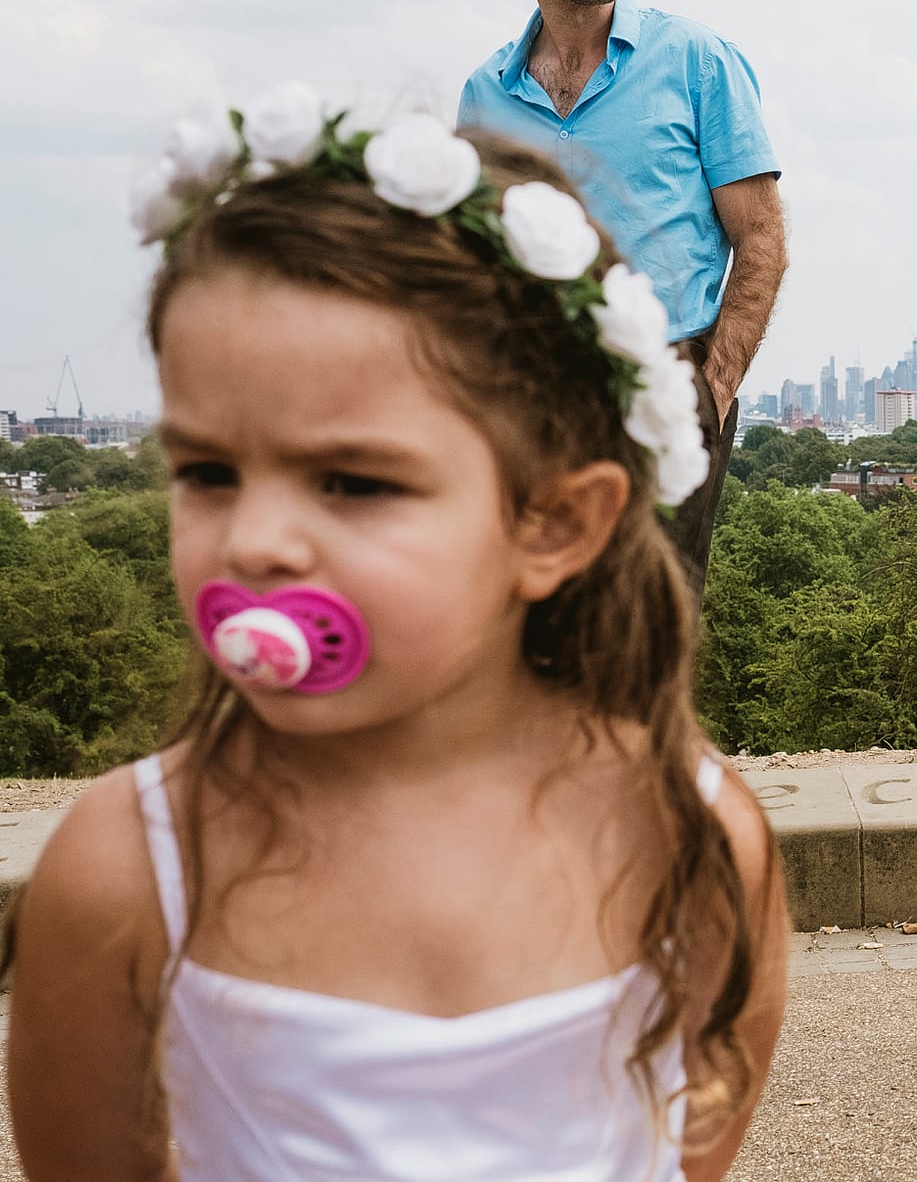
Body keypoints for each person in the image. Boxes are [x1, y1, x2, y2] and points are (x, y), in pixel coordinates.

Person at [4, 91, 788, 1179]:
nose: (259, 540)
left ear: (555, 522)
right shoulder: (129, 863)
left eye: (354, 481)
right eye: (208, 472)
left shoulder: (692, 840)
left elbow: (696, 1136)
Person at [461, 0, 788, 599]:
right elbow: (474, 266)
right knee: (527, 627)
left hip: (668, 388)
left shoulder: (698, 61)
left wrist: (713, 388)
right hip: (530, 400)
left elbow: (760, 235)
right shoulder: (484, 95)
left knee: (644, 634)